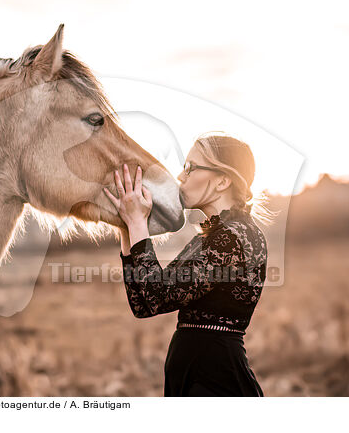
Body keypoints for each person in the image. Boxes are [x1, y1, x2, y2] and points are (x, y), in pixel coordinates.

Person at [103, 133, 271, 397]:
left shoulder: (232, 238)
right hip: (197, 371)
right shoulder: (214, 235)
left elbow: (155, 296)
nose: (181, 177)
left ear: (222, 181)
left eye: (191, 168)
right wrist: (126, 226)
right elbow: (142, 304)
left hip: (214, 377)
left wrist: (138, 222)